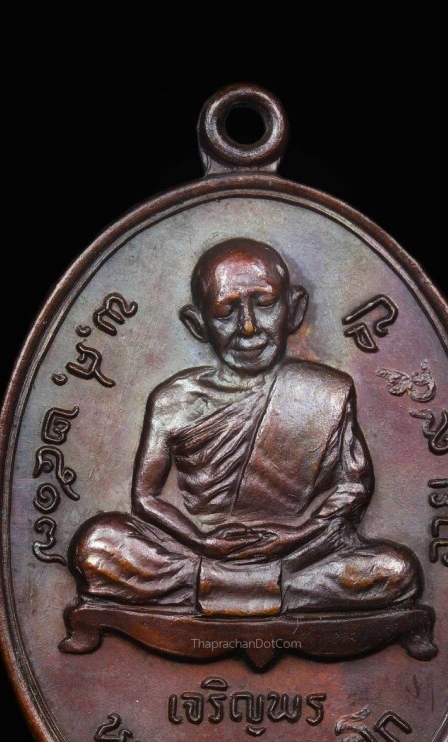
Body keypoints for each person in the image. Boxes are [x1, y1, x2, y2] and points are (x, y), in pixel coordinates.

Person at [68, 238, 422, 616]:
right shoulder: (174, 400)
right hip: (197, 550)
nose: (249, 327)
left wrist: (298, 534)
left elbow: (353, 486)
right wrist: (202, 541)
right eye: (225, 312)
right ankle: (270, 590)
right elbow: (146, 496)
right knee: (97, 547)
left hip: (298, 553)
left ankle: (218, 588)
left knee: (395, 571)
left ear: (294, 309)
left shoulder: (326, 392)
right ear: (197, 323)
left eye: (265, 304)